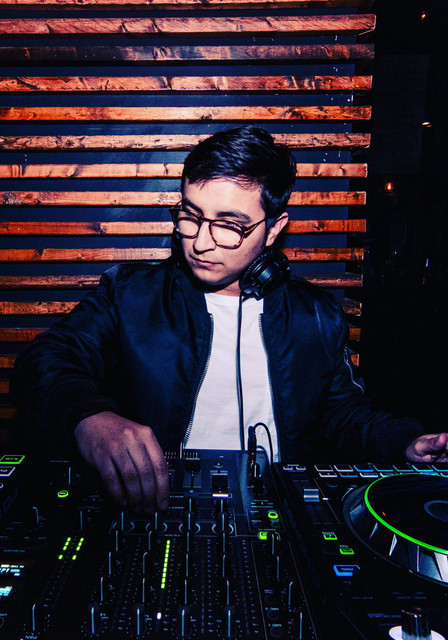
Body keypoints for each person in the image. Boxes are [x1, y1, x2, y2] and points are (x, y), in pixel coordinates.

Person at [10, 125, 448, 514]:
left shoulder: (316, 314)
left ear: (273, 229)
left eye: (229, 225)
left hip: (279, 512)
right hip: (158, 508)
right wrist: (89, 417)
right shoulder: (130, 295)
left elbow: (344, 414)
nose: (201, 242)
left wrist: (405, 441)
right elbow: (44, 361)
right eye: (191, 216)